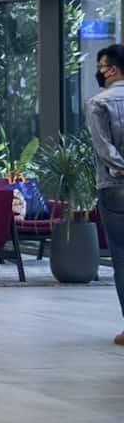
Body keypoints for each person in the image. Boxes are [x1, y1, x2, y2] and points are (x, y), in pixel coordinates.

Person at [84, 44, 124, 345]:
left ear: (111, 68)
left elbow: (104, 149)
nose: (99, 72)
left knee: (121, 257)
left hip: (115, 187)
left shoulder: (100, 102)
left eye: (101, 66)